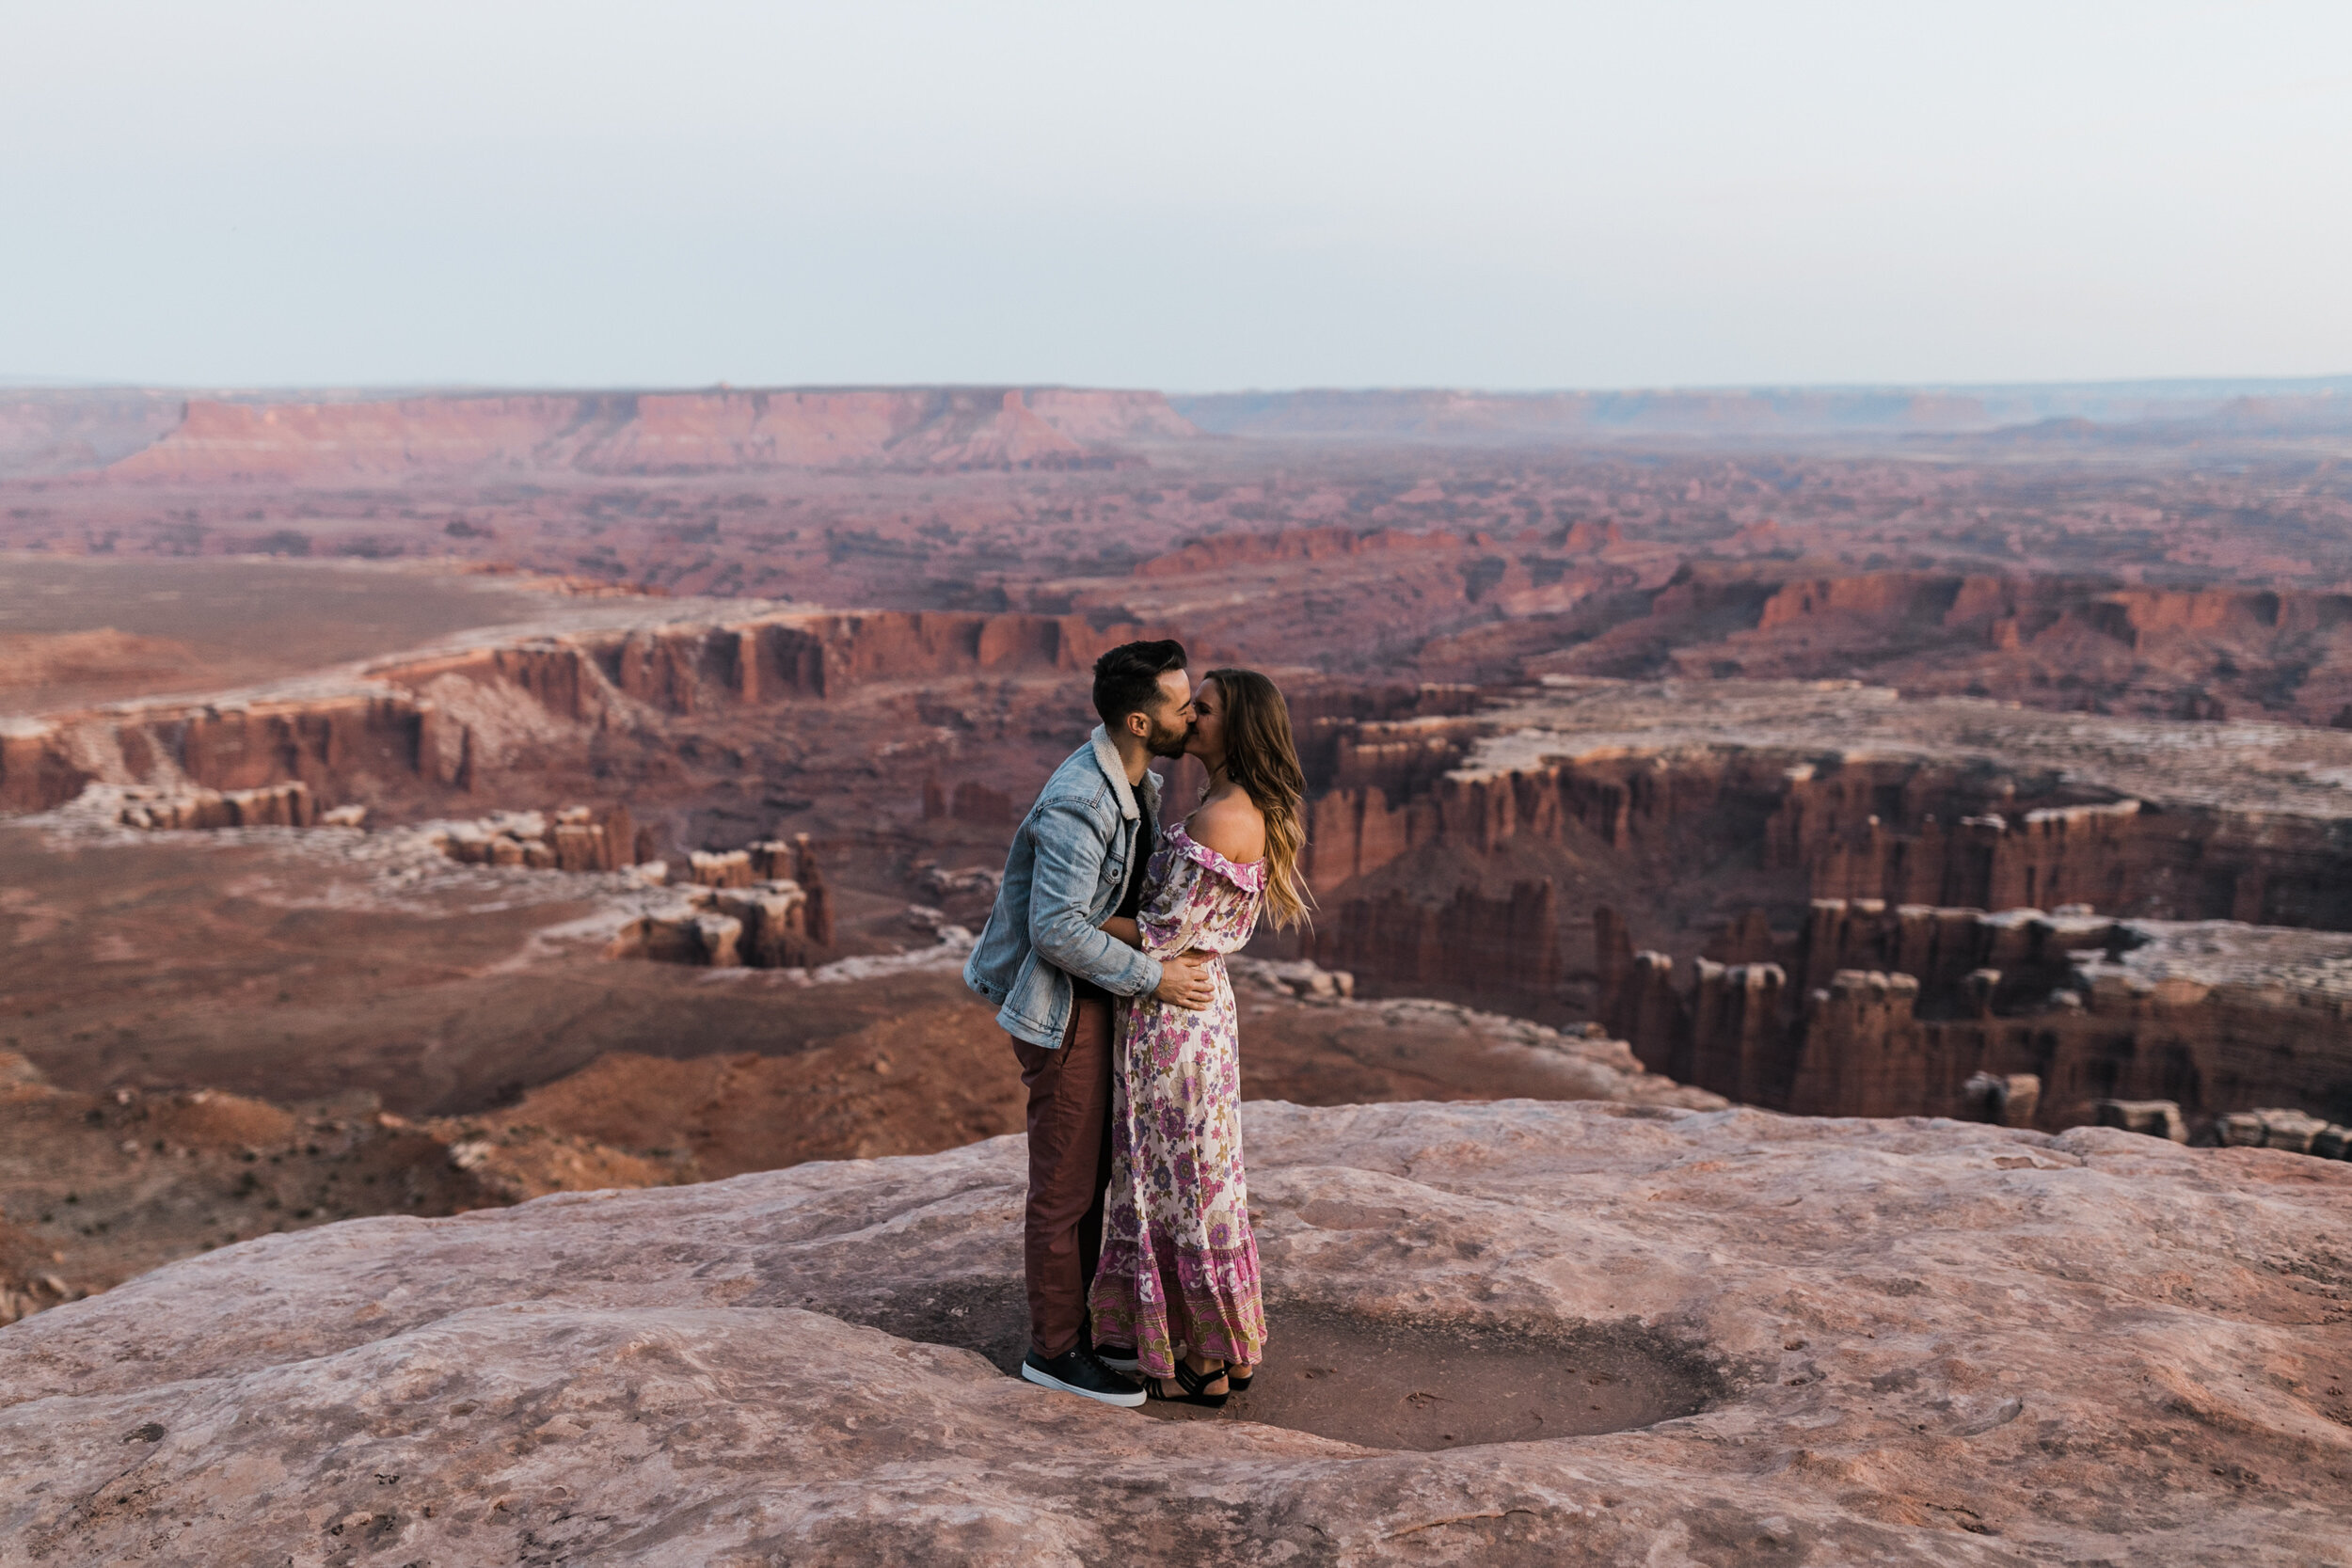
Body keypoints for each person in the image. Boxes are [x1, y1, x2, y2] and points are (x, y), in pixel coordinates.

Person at [963, 639, 1218, 1408]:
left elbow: (1104, 910)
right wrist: (1157, 976)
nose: (1192, 713)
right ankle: (1054, 1351)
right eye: (1181, 705)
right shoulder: (1085, 796)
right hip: (1063, 1008)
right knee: (1067, 1185)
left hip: (1093, 1000)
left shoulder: (1136, 774)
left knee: (1099, 1172)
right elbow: (1057, 929)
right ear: (1141, 720)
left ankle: (1080, 1324)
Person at [1087, 667, 1311, 1406]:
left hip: (1173, 1024)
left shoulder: (1224, 816)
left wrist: (1073, 917)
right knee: (1204, 1176)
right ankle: (1229, 1351)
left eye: (1203, 709)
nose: (1190, 716)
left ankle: (1205, 1365)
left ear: (1236, 728)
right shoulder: (1230, 800)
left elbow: (1158, 933)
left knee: (1172, 1178)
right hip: (1197, 1015)